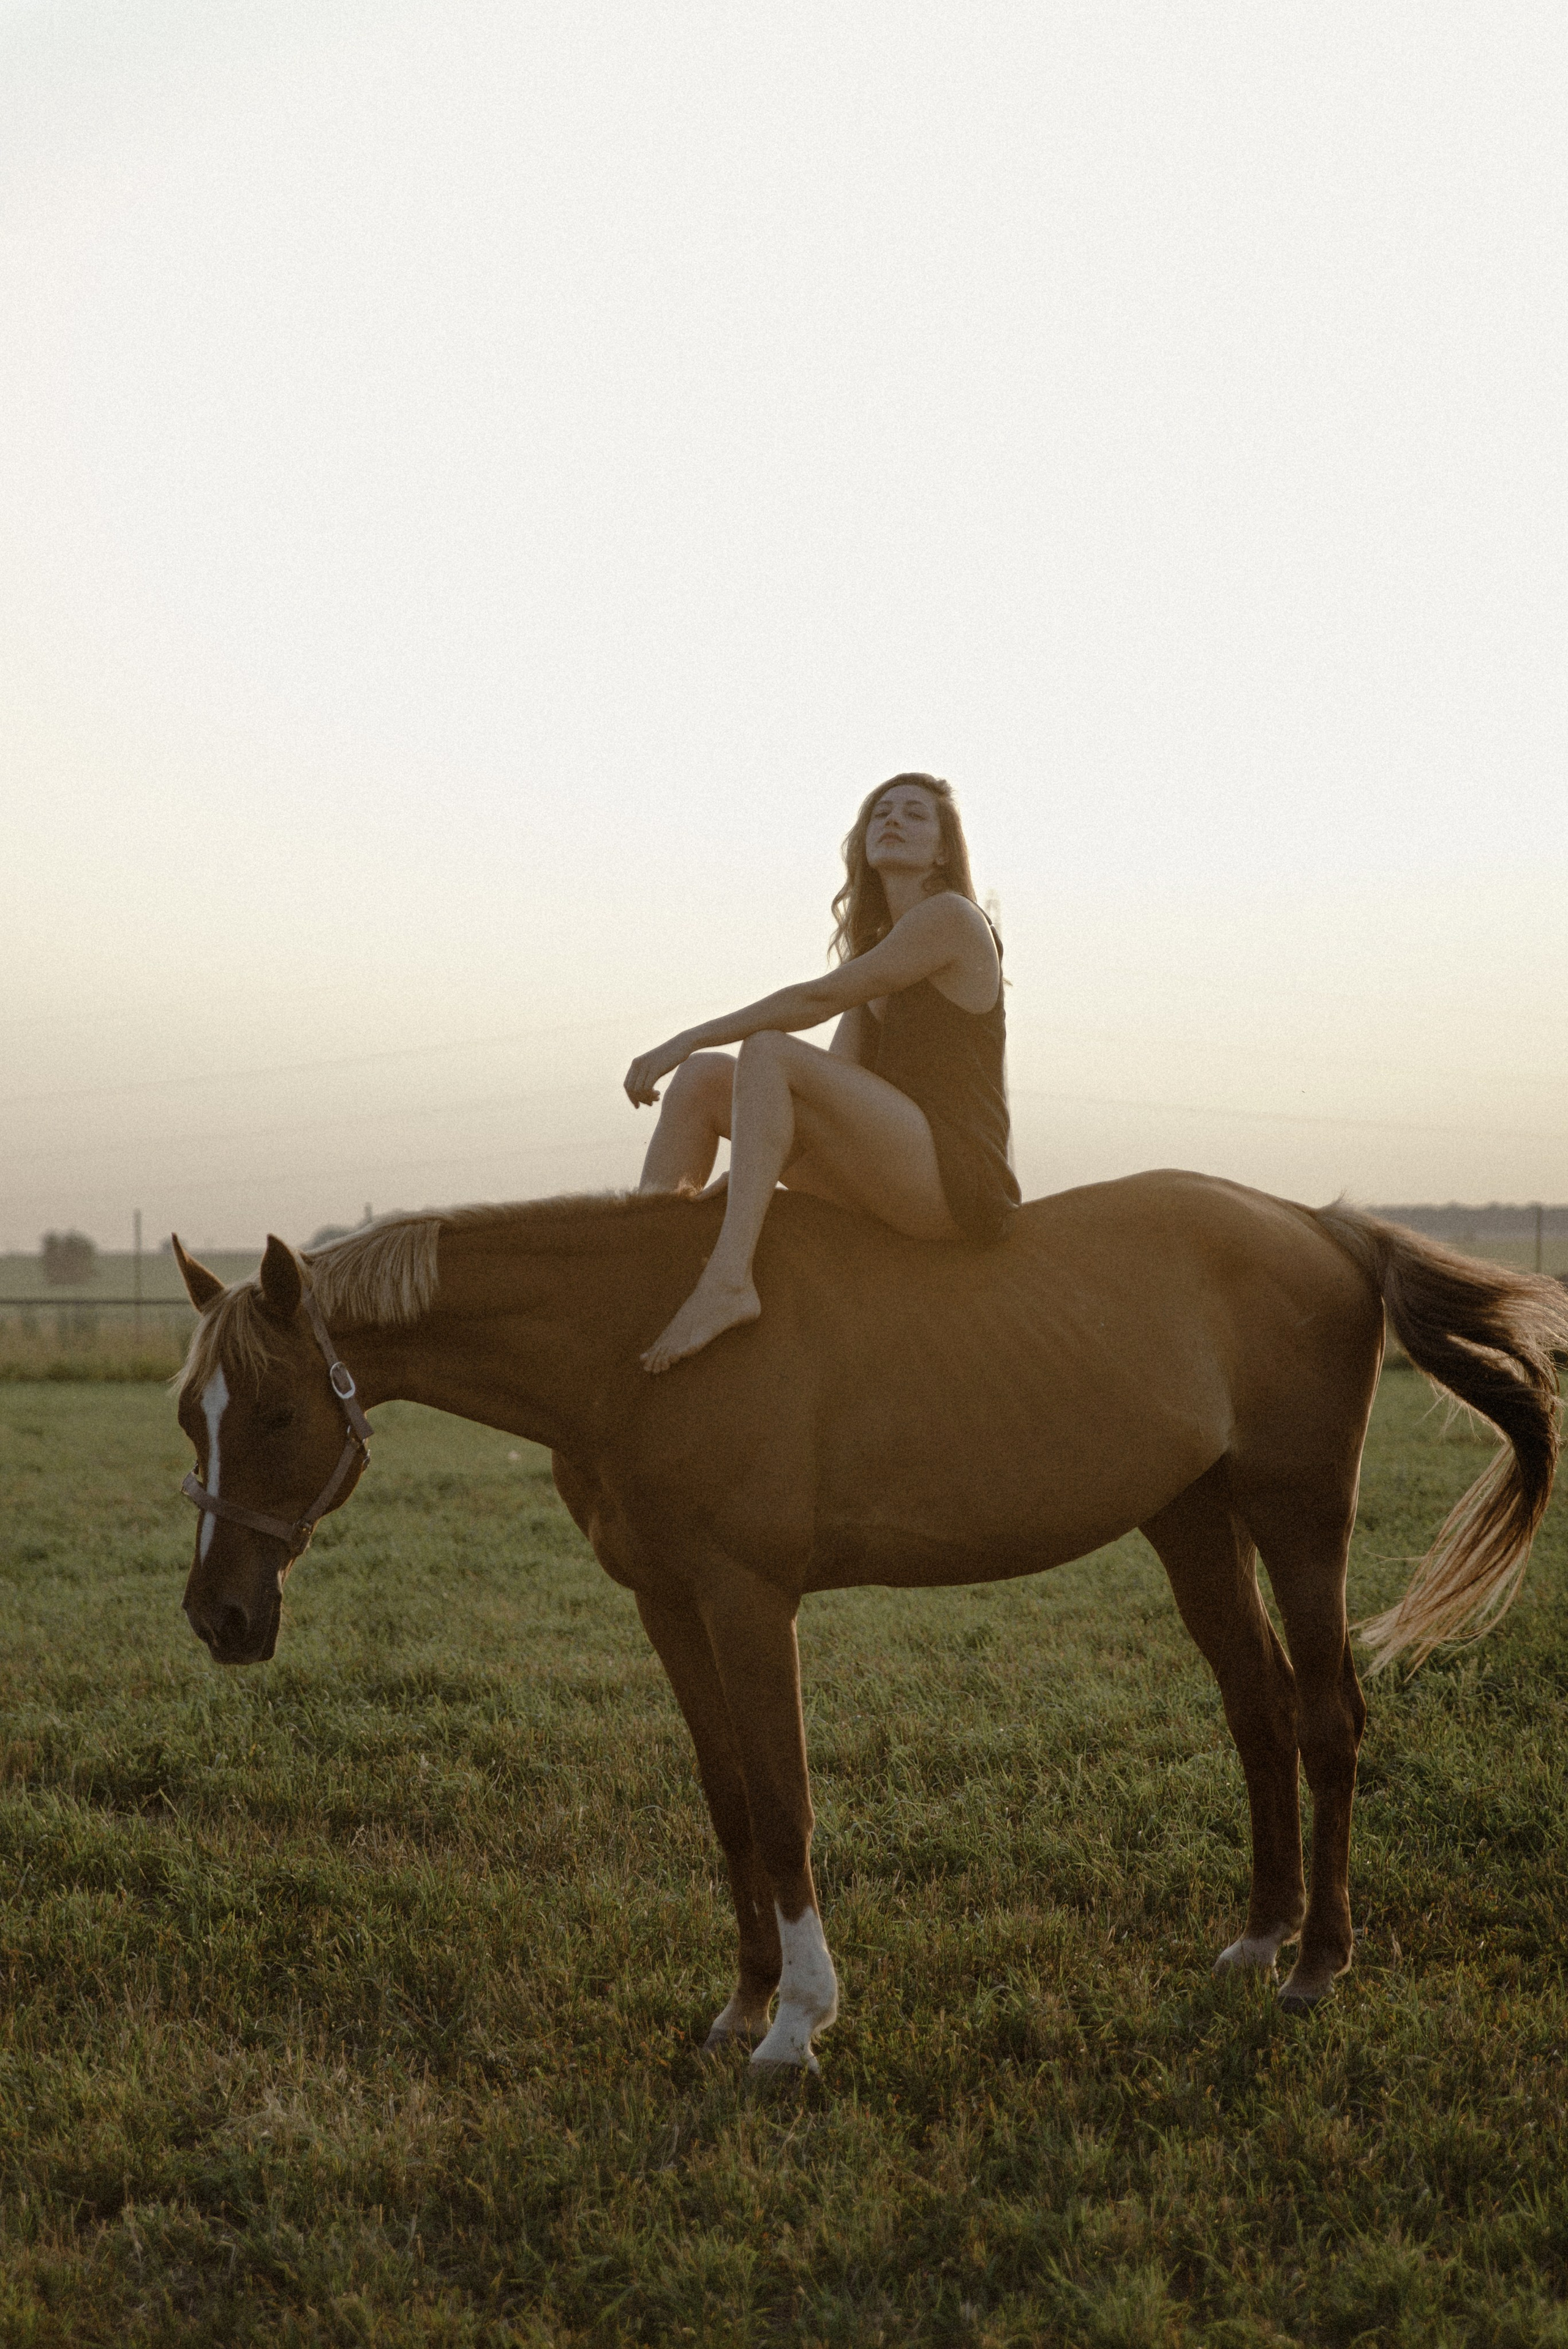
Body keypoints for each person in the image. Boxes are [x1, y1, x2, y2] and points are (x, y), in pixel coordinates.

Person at [626, 772, 1020, 1373]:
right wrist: (746, 1175)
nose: (892, 819)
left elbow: (815, 1000)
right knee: (704, 1078)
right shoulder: (879, 952)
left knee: (766, 1050)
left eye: (914, 814)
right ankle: (641, 1266)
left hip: (957, 1182)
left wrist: (686, 1038)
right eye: (881, 813)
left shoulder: (953, 919)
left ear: (943, 851)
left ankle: (729, 1282)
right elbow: (828, 1088)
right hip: (890, 1170)